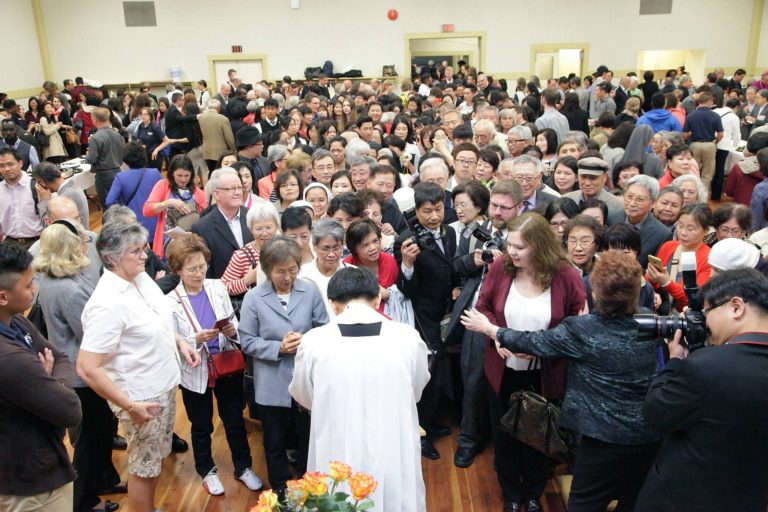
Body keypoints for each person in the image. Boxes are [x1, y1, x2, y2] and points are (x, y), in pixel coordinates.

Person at [462, 250, 660, 511]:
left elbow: (532, 342)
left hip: (598, 440)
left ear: (597, 293)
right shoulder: (651, 323)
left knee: (585, 504)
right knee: (632, 503)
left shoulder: (583, 330)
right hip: (646, 440)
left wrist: (491, 330)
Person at [77, 221, 200, 512]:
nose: (144, 255)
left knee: (154, 462)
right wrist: (131, 406)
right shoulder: (106, 303)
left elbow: (155, 322)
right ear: (111, 258)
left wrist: (179, 341)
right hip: (141, 398)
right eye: (135, 251)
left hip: (163, 385)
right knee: (143, 468)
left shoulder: (141, 279)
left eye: (143, 248)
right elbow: (87, 367)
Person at [468, 213, 585, 512]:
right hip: (503, 369)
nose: (512, 252)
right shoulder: (500, 267)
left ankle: (532, 493)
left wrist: (544, 347)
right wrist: (497, 337)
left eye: (520, 246)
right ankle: (510, 493)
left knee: (538, 436)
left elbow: (577, 322)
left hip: (546, 372)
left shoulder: (565, 275)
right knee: (504, 435)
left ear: (540, 245)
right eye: (510, 244)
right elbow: (483, 307)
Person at [290, 267, 430, 512]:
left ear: (332, 304)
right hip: (393, 436)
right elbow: (416, 389)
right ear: (377, 299)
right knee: (395, 496)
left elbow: (303, 394)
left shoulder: (313, 342)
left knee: (336, 494)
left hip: (336, 437)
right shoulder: (407, 337)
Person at [635, 268, 768, 512]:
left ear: (736, 307)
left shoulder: (705, 366)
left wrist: (675, 362)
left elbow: (655, 414)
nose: (704, 321)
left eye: (707, 311)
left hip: (684, 498)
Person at [33, 220, 121, 512]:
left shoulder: (48, 281)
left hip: (71, 366)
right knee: (90, 440)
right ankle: (85, 500)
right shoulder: (70, 290)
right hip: (82, 374)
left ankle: (105, 477)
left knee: (100, 431)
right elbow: (91, 333)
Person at [165, 234, 263, 496]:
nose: (199, 273)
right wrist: (194, 339)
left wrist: (232, 330)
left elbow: (232, 322)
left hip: (226, 364)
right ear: (178, 270)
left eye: (202, 266)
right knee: (201, 425)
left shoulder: (217, 286)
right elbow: (170, 341)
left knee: (233, 420)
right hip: (196, 371)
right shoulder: (170, 302)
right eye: (192, 268)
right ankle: (207, 470)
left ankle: (243, 467)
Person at [238, 236, 329, 500]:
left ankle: (306, 482)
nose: (288, 277)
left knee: (306, 435)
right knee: (274, 439)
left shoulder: (309, 290)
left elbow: (323, 327)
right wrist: (279, 348)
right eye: (281, 272)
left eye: (293, 270)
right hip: (271, 381)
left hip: (305, 380)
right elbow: (248, 341)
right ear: (266, 270)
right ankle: (279, 487)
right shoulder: (254, 298)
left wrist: (306, 341)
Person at [0, 243, 82, 512]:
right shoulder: (10, 359)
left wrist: (46, 380)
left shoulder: (17, 323)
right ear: (3, 296)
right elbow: (70, 410)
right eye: (27, 285)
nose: (34, 289)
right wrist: (51, 381)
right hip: (32, 487)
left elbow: (59, 356)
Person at [447, 179, 523, 468]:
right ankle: (468, 439)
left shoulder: (525, 235)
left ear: (518, 208)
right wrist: (474, 261)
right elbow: (455, 267)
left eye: (505, 207)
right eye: (494, 205)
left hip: (511, 317)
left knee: (507, 383)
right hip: (477, 314)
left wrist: (508, 263)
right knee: (473, 379)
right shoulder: (474, 233)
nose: (498, 212)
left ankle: (506, 441)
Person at [394, 182, 459, 460]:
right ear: (415, 211)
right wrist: (407, 266)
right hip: (423, 318)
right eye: (427, 211)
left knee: (441, 374)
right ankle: (417, 434)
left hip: (447, 313)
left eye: (438, 209)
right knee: (427, 377)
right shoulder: (406, 240)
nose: (434, 216)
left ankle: (429, 424)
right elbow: (406, 290)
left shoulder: (450, 233)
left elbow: (451, 268)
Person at [646, 204, 713, 311]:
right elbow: (648, 283)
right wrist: (652, 283)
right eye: (680, 226)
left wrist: (667, 282)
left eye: (691, 229)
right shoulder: (668, 246)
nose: (683, 233)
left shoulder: (709, 259)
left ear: (706, 230)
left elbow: (695, 299)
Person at [191, 168, 255, 278]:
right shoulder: (202, 228)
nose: (238, 192)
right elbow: (205, 270)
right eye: (232, 189)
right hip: (222, 290)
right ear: (216, 194)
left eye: (239, 188)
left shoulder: (252, 216)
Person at [143, 154, 207, 259]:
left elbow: (205, 217)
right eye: (179, 175)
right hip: (166, 245)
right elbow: (147, 210)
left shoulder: (197, 192)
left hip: (190, 245)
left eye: (187, 176)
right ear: (172, 173)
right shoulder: (163, 185)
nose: (183, 180)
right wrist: (168, 203)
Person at [221, 202, 280, 297]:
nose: (264, 233)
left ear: (276, 226)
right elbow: (223, 288)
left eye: (268, 228)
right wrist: (246, 280)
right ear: (251, 229)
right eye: (259, 229)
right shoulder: (242, 255)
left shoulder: (286, 248)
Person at [300, 219, 353, 317]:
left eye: (336, 248)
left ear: (343, 245)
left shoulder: (354, 275)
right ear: (314, 246)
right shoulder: (302, 276)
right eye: (325, 248)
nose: (332, 254)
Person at [342, 219, 398, 312]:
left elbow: (401, 293)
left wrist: (388, 294)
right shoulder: (346, 267)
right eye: (365, 245)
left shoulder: (389, 261)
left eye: (375, 241)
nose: (373, 248)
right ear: (354, 248)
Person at [622, 175, 673, 268]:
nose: (632, 203)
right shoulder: (612, 217)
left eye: (639, 199)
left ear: (652, 203)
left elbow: (655, 271)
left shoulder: (662, 234)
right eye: (629, 196)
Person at [0, 146, 42, 249]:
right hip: (9, 244)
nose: (7, 169)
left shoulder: (37, 186)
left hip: (37, 243)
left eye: (10, 164)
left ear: (20, 163)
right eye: (1, 166)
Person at [85, 107, 125, 209]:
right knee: (119, 203)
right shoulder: (117, 134)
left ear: (95, 119)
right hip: (118, 171)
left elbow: (91, 159)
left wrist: (88, 154)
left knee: (107, 205)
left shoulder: (96, 137)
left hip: (104, 175)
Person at [563, 157, 624, 225]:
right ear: (578, 177)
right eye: (583, 177)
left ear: (604, 178)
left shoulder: (617, 206)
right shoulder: (567, 200)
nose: (587, 183)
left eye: (593, 178)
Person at [32, 161, 89, 228]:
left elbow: (50, 228)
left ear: (42, 183)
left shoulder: (64, 198)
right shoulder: (73, 187)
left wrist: (44, 201)